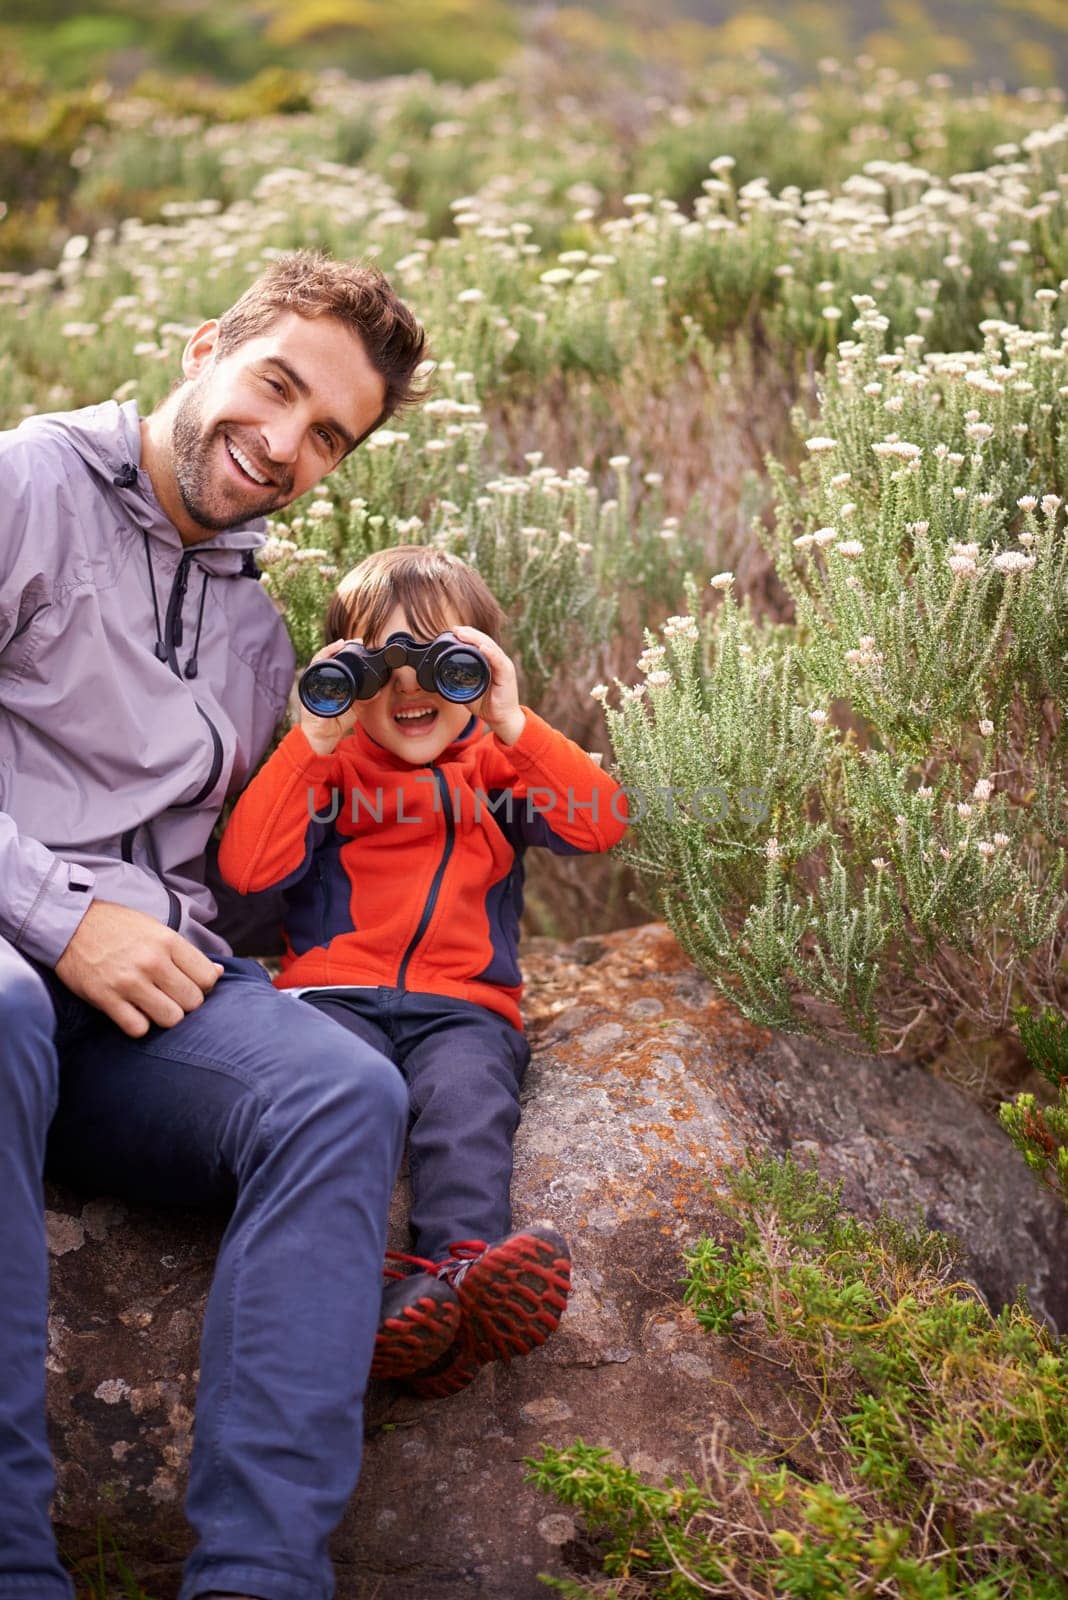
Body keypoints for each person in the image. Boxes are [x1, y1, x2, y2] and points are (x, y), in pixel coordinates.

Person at [0, 251, 430, 1600]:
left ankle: (258, 1579)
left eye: (327, 437)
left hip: (136, 1016)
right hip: (13, 966)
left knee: (344, 1093)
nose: (284, 444)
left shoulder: (256, 630)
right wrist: (58, 920)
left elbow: (232, 884)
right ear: (203, 352)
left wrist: (384, 772)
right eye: (276, 387)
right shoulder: (24, 484)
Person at [216, 544, 629, 1398]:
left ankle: (463, 1281)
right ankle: (370, 1297)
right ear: (342, 677)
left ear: (481, 669)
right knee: (337, 1104)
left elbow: (600, 825)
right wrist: (309, 740)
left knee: (467, 1103)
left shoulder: (499, 769)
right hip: (331, 1000)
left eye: (441, 663)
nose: (410, 688)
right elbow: (248, 870)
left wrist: (515, 722)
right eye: (378, 667)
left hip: (462, 1009)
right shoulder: (326, 774)